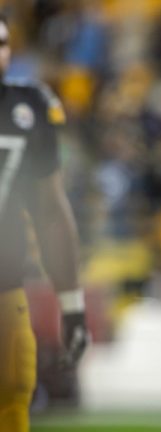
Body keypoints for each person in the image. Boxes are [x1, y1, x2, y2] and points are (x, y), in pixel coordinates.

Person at [0, 14, 87, 432]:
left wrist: (72, 307)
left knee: (12, 399)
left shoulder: (29, 107)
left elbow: (50, 211)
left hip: (5, 288)